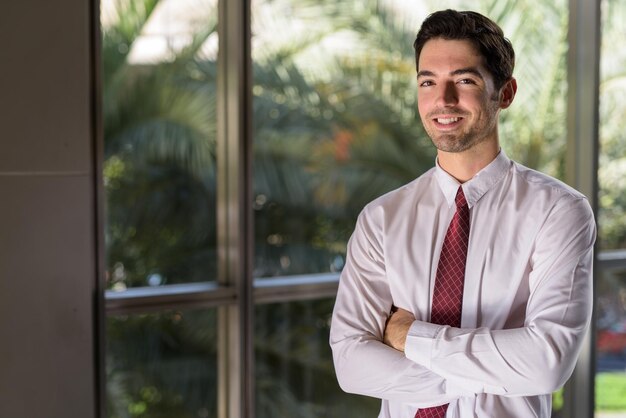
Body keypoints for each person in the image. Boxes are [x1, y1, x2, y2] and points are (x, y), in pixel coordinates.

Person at [329, 9, 596, 418]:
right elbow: (350, 363)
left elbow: (548, 361)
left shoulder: (558, 211)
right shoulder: (381, 219)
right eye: (428, 82)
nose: (443, 100)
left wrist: (409, 336)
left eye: (465, 80)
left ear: (504, 94)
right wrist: (480, 375)